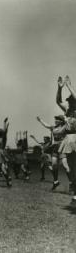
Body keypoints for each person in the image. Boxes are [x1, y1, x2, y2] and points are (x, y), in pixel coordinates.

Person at [55, 76, 76, 204]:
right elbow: (58, 101)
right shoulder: (68, 111)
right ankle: (74, 191)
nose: (68, 103)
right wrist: (59, 87)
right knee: (69, 167)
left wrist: (69, 85)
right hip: (69, 140)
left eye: (71, 100)